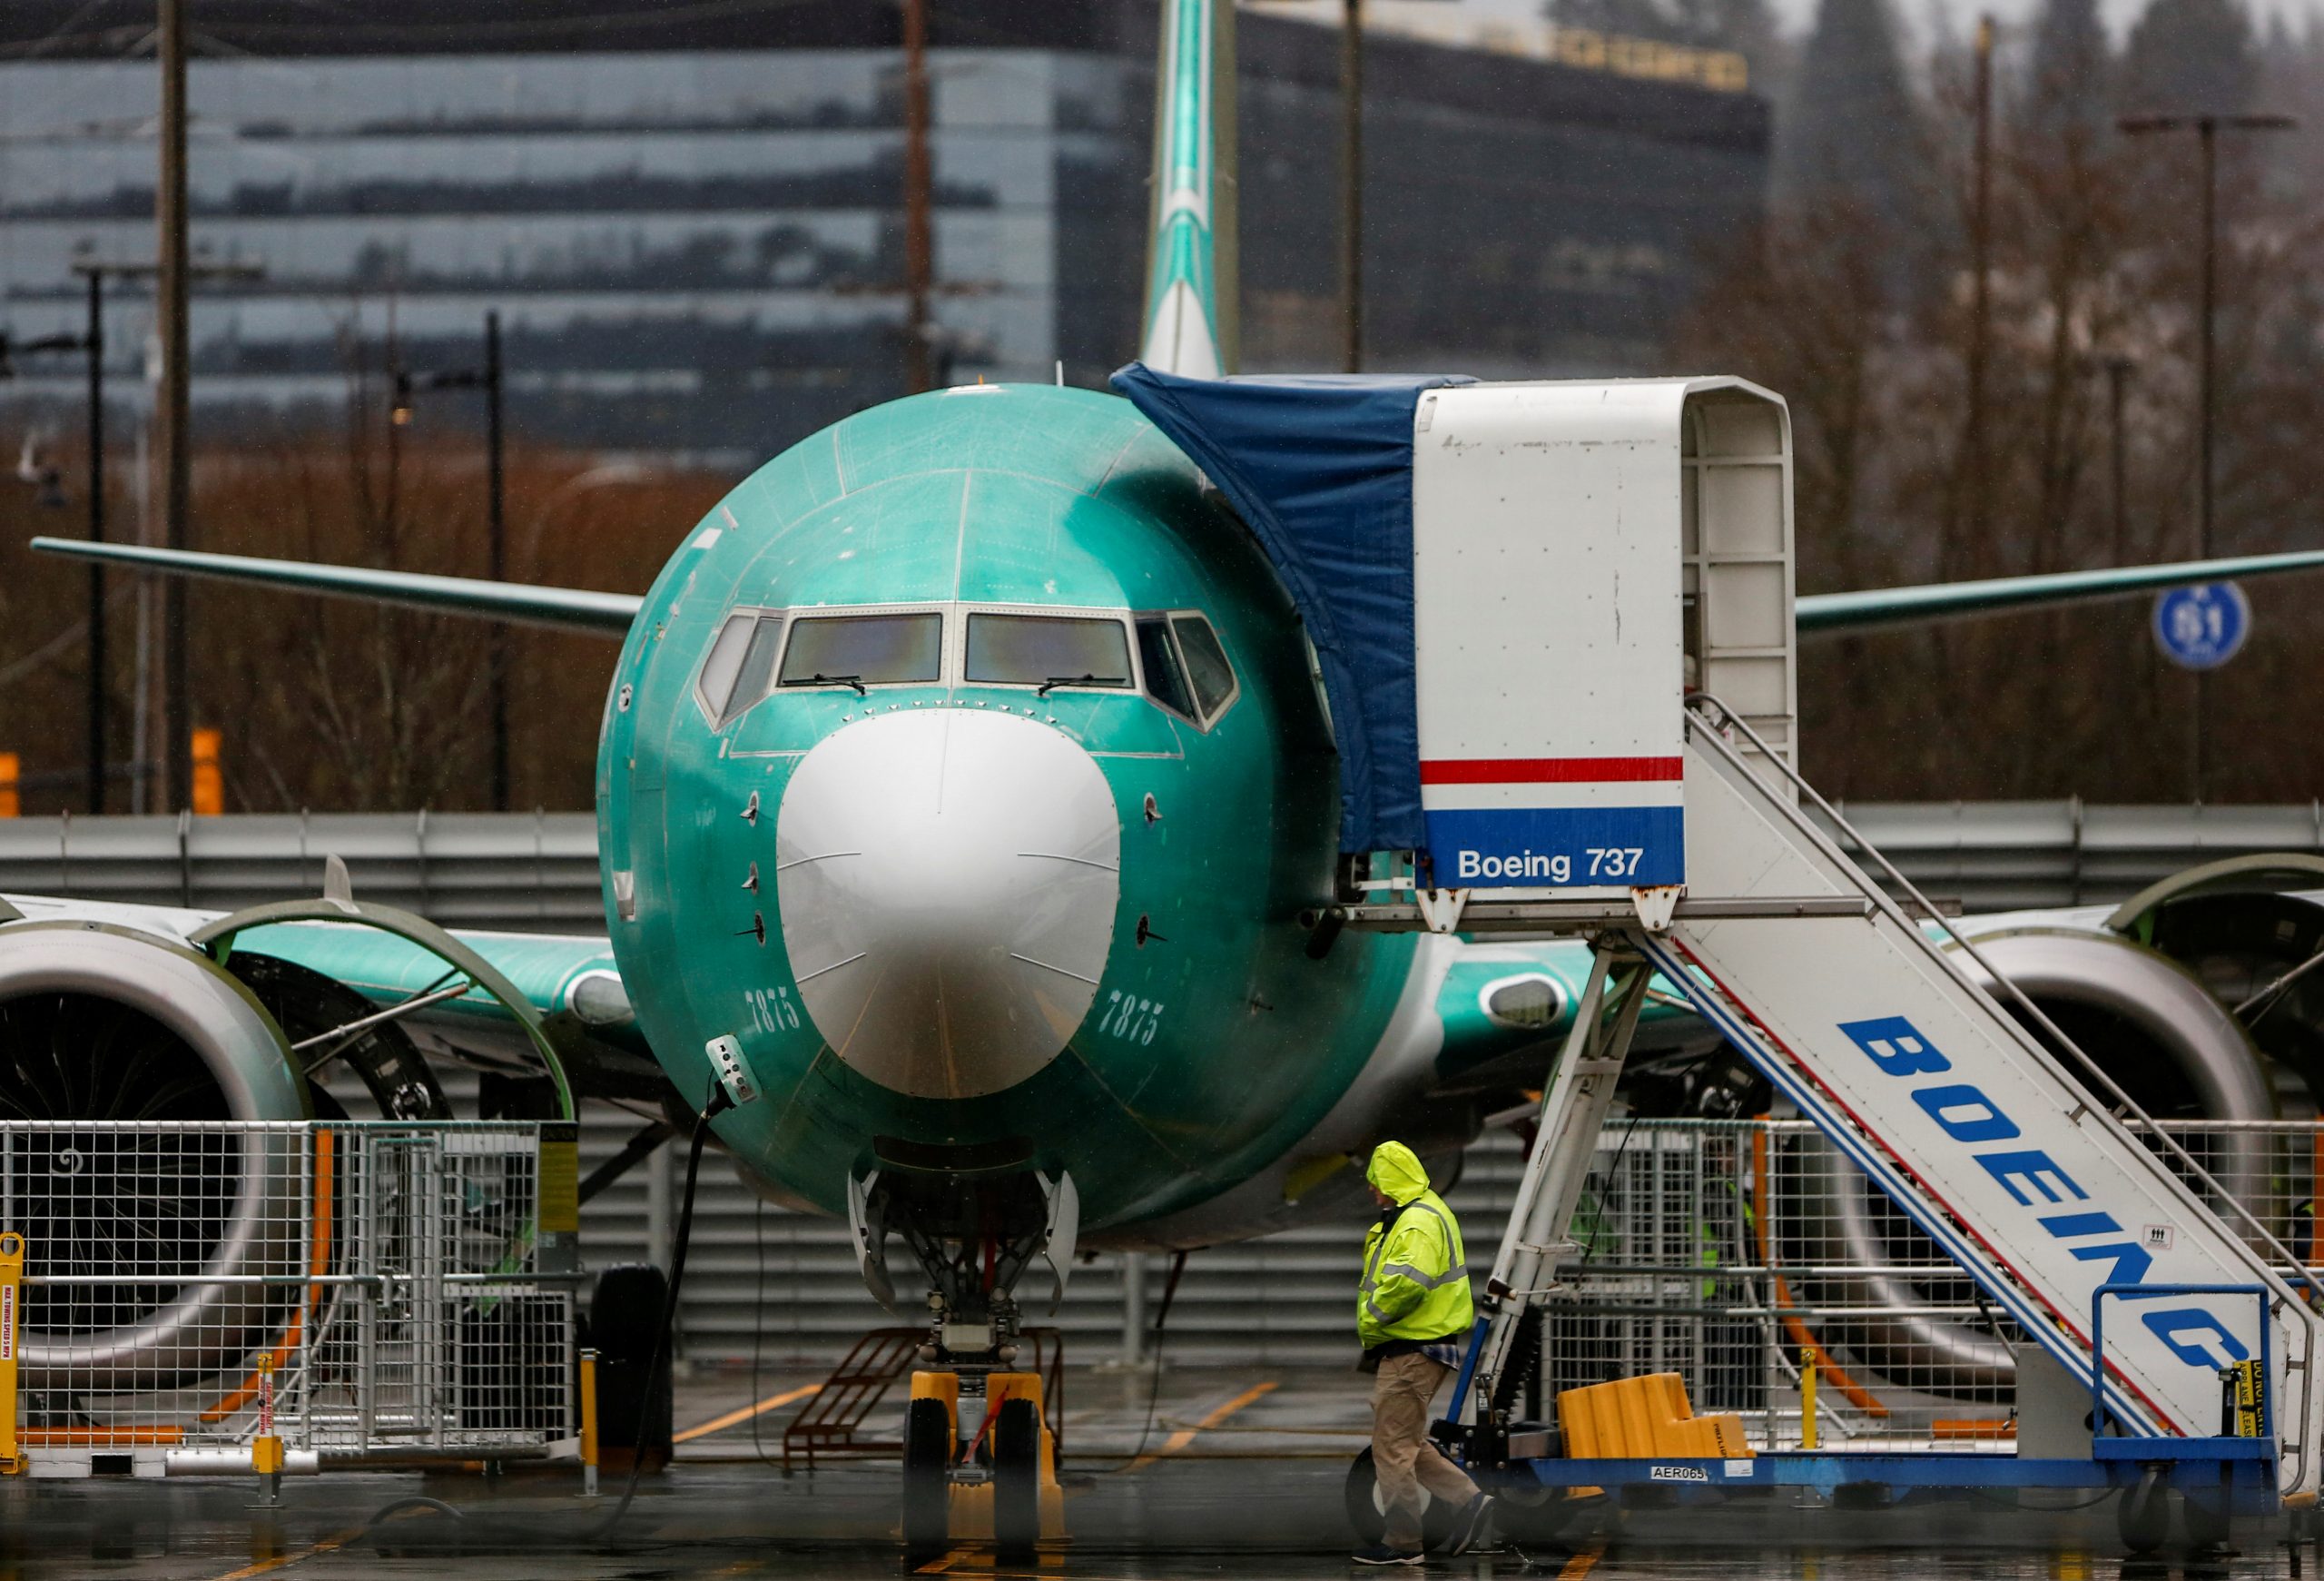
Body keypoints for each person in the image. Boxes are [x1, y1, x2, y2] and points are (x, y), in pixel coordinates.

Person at [1353, 1141, 1495, 1566]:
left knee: (1391, 1447)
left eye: (1376, 1182)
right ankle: (1469, 1501)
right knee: (1406, 1440)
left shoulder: (1415, 1222)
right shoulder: (1423, 1212)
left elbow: (1407, 1285)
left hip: (1412, 1347)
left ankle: (1402, 1541)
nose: (1372, 1191)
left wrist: (1374, 1317)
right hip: (1418, 1346)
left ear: (1391, 1182)